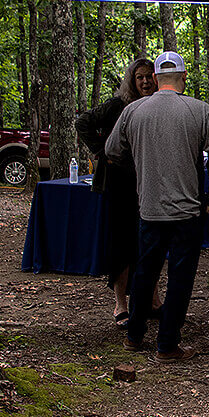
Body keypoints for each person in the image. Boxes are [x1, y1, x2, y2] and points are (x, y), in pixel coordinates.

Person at [105, 51, 209, 362]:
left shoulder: (134, 111)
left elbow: (111, 150)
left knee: (145, 272)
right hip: (186, 211)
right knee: (180, 278)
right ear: (184, 77)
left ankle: (134, 336)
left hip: (149, 207)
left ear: (156, 78)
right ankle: (167, 345)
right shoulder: (200, 111)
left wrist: (140, 164)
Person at [74, 58, 162, 328]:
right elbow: (83, 122)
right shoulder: (117, 105)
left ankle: (152, 300)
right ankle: (120, 304)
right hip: (118, 183)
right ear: (132, 81)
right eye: (139, 77)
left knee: (150, 242)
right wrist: (102, 151)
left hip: (148, 182)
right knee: (121, 244)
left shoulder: (160, 105)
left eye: (149, 76)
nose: (145, 81)